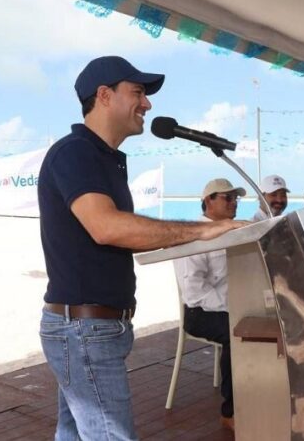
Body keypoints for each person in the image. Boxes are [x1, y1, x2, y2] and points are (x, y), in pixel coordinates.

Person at [37, 56, 245, 439]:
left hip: (94, 327)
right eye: (138, 93)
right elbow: (106, 227)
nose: (147, 104)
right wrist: (201, 232)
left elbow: (114, 236)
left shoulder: (105, 159)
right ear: (104, 95)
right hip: (84, 329)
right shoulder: (75, 153)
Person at [174, 179, 246, 427]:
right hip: (200, 312)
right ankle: (230, 412)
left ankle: (260, 394)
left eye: (236, 198)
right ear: (208, 201)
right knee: (237, 333)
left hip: (231, 305)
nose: (234, 202)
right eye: (228, 197)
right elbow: (194, 292)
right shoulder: (194, 237)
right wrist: (234, 306)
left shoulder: (234, 233)